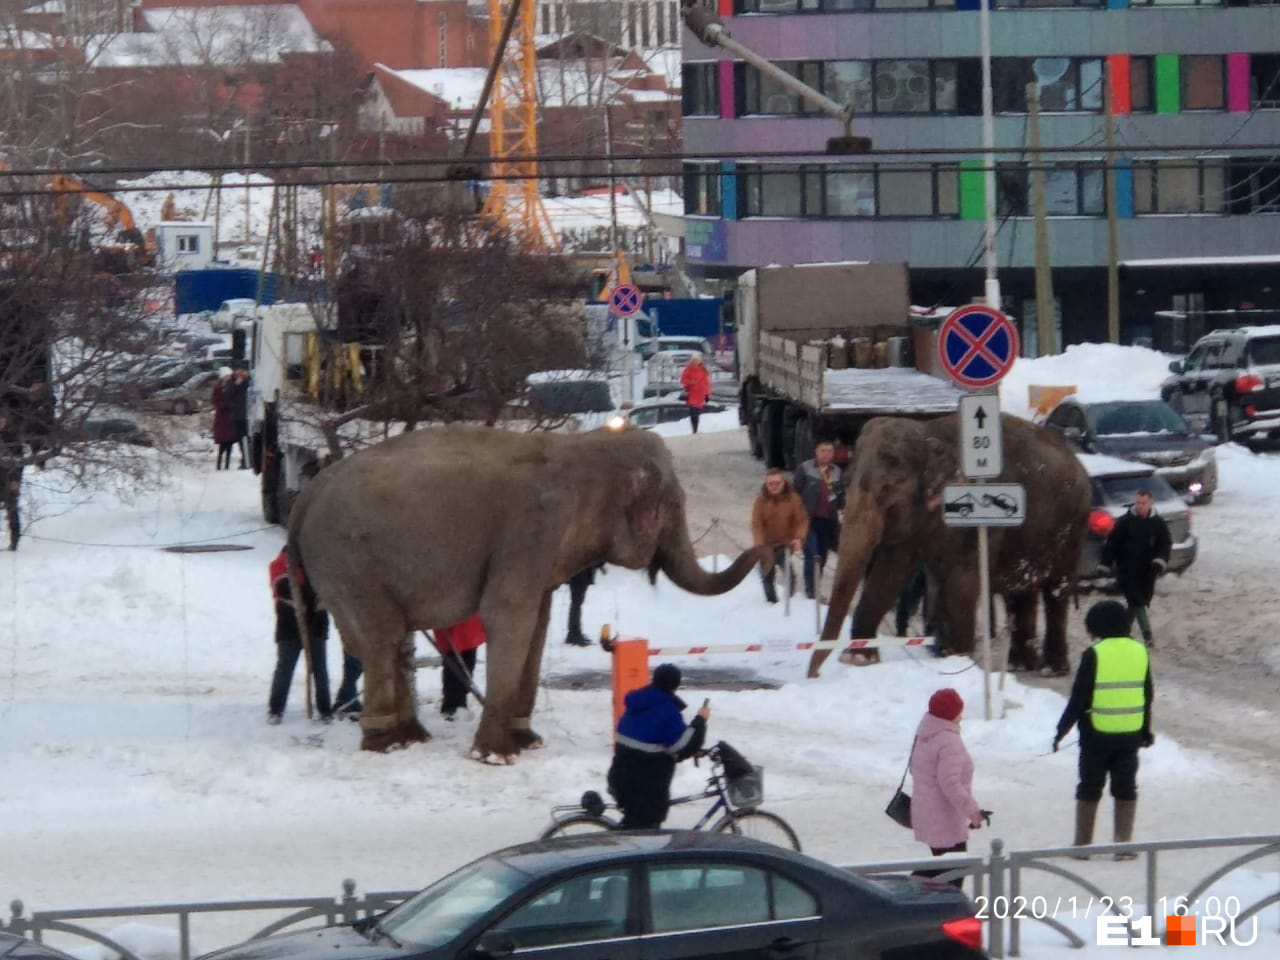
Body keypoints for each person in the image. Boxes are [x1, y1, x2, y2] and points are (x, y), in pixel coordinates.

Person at [1054, 600, 1154, 861]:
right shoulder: (1139, 651)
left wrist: (1061, 730)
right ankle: (1123, 844)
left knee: (1089, 786)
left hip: (1095, 736)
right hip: (1129, 735)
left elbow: (1079, 698)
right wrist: (1146, 730)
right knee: (1126, 787)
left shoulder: (1094, 653)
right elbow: (1147, 695)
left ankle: (1082, 846)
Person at [608, 663, 710, 828]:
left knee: (633, 828)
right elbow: (681, 746)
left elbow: (652, 738)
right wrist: (701, 721)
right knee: (644, 835)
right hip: (646, 787)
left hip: (621, 776)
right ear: (675, 686)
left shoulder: (637, 702)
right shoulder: (667, 710)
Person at [909, 688, 986, 887]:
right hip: (945, 820)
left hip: (928, 814)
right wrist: (973, 811)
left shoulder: (926, 733)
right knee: (953, 874)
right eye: (960, 710)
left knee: (937, 868)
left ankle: (907, 895)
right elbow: (950, 783)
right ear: (951, 713)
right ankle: (910, 900)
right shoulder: (948, 740)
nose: (962, 715)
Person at [267, 546, 334, 723]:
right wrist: (308, 598)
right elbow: (283, 589)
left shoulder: (318, 566)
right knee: (285, 669)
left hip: (316, 625)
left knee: (320, 669)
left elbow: (325, 591)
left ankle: (325, 710)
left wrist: (315, 601)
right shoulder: (279, 565)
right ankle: (276, 709)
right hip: (289, 627)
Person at [1101, 489, 1171, 647]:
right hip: (1127, 570)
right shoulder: (1125, 522)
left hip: (1147, 572)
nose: (1139, 506)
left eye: (1143, 503)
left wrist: (1159, 561)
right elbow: (1112, 543)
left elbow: (1165, 544)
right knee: (1137, 601)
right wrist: (1106, 562)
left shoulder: (1158, 523)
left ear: (1150, 503)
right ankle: (1148, 636)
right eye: (1137, 503)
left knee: (1137, 602)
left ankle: (1121, 632)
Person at [792, 441, 844, 601]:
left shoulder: (836, 471)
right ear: (816, 452)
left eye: (829, 451)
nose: (826, 454)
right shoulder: (805, 468)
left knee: (822, 556)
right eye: (823, 450)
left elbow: (841, 496)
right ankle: (811, 592)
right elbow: (795, 493)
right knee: (812, 554)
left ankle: (814, 586)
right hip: (809, 520)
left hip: (828, 521)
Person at [750, 468, 808, 604]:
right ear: (766, 484)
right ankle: (771, 603)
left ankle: (791, 602)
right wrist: (759, 546)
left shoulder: (793, 499)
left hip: (785, 544)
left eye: (777, 483)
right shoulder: (760, 501)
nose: (774, 486)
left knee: (790, 575)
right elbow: (756, 524)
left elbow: (802, 520)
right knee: (767, 576)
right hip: (766, 546)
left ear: (783, 483)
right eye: (771, 484)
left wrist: (799, 538)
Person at [434, 614, 487, 720]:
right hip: (452, 619)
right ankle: (451, 706)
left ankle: (459, 703)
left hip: (468, 622)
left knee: (467, 662)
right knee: (454, 665)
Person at [565, 564, 605, 647]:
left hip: (580, 573)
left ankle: (574, 632)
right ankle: (574, 633)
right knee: (576, 603)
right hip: (579, 574)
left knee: (577, 603)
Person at [211, 368, 238, 471]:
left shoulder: (232, 386)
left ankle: (227, 464)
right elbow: (214, 400)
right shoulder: (218, 388)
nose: (228, 377)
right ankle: (219, 463)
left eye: (229, 376)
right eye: (227, 376)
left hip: (230, 417)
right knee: (222, 442)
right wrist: (222, 405)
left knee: (229, 442)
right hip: (222, 417)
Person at [679, 355, 712, 434]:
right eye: (694, 360)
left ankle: (695, 429)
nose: (696, 362)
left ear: (700, 361)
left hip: (701, 394)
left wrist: (707, 395)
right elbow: (683, 380)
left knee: (696, 412)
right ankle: (694, 429)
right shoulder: (688, 369)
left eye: (697, 360)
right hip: (692, 394)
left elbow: (707, 383)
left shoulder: (703, 370)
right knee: (693, 412)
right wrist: (691, 382)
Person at [227, 366, 251, 469]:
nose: (239, 373)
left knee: (248, 438)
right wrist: (235, 385)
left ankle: (248, 459)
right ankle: (244, 459)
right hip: (237, 415)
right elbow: (227, 394)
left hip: (248, 415)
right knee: (241, 439)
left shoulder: (248, 381)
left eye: (241, 371)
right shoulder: (231, 382)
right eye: (237, 371)